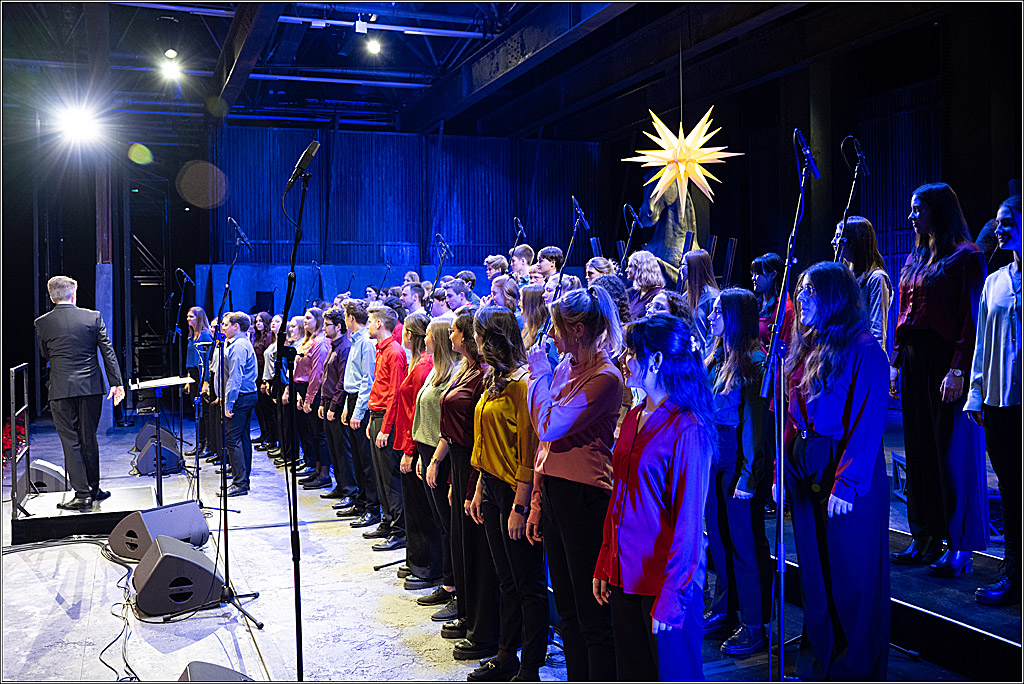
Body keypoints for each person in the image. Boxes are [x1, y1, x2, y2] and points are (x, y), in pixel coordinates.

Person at [783, 261, 891, 679]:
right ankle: (821, 662)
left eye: (811, 292)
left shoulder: (864, 350)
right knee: (815, 574)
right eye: (800, 291)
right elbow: (790, 416)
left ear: (834, 297)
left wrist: (847, 483)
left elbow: (868, 424)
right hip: (805, 464)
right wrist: (781, 471)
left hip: (845, 468)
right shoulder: (806, 348)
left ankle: (856, 669)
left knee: (853, 578)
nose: (802, 300)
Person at [593, 313, 715, 682]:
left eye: (631, 352)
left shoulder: (687, 427)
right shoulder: (635, 416)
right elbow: (619, 499)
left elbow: (689, 523)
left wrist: (673, 597)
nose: (623, 359)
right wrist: (605, 561)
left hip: (664, 584)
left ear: (657, 361)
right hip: (625, 574)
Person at [525, 286, 624, 681]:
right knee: (566, 606)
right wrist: (536, 500)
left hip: (585, 498)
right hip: (554, 491)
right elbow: (545, 444)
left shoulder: (605, 377)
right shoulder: (567, 365)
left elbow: (548, 424)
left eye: (556, 326)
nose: (550, 335)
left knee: (591, 613)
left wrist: (538, 375)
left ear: (578, 330)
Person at [891, 182, 988, 574]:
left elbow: (970, 318)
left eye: (918, 209)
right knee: (918, 450)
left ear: (938, 211)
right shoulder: (916, 257)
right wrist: (897, 361)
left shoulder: (967, 257)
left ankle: (959, 543)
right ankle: (925, 535)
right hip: (914, 361)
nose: (911, 216)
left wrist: (959, 368)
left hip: (945, 360)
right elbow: (904, 313)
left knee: (950, 453)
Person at [468, 307, 547, 682]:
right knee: (506, 579)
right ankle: (506, 653)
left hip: (516, 490)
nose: (477, 343)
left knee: (528, 582)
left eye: (481, 337)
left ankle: (530, 664)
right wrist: (480, 488)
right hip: (493, 486)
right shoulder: (493, 379)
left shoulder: (521, 383)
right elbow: (485, 441)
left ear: (496, 339)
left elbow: (528, 448)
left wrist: (520, 504)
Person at [702, 289, 771, 656]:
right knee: (720, 541)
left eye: (717, 312)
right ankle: (725, 610)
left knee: (744, 545)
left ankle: (754, 624)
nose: (711, 317)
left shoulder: (754, 363)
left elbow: (754, 427)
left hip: (737, 460)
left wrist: (748, 476)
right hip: (714, 458)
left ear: (736, 317)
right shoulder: (716, 358)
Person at [437, 307, 501, 662]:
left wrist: (473, 480)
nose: (452, 336)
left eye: (457, 332)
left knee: (478, 549)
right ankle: (468, 615)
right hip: (461, 462)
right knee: (463, 544)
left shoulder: (483, 375)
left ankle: (483, 628)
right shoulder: (465, 369)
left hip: (474, 463)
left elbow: (479, 432)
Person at [966, 195, 1022, 606]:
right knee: (1011, 489)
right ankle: (1014, 574)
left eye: (1008, 221)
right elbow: (983, 343)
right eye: (998, 222)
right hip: (1003, 404)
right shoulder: (995, 281)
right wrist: (977, 395)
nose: (999, 229)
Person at [35, 275, 125, 509]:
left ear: (51, 296)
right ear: (74, 295)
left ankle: (83, 493)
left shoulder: (42, 323)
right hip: (91, 387)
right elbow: (108, 352)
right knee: (88, 438)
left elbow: (45, 353)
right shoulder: (92, 317)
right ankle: (94, 488)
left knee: (71, 441)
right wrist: (117, 383)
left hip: (61, 388)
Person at [415, 318, 462, 618]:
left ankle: (455, 588)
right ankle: (448, 584)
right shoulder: (435, 369)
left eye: (429, 335)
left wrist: (434, 459)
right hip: (427, 449)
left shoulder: (452, 374)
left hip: (442, 456)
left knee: (449, 526)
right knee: (440, 523)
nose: (425, 339)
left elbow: (447, 425)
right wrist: (421, 454)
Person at [393, 312, 444, 582]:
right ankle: (416, 559)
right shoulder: (417, 362)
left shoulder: (425, 366)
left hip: (415, 445)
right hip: (409, 441)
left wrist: (409, 451)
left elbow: (417, 414)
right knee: (414, 507)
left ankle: (427, 566)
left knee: (421, 511)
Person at [366, 305, 409, 550]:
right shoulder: (381, 350)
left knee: (390, 479)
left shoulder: (394, 351)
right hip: (376, 416)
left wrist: (384, 428)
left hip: (386, 419)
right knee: (380, 477)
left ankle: (400, 530)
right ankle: (388, 519)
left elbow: (395, 394)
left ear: (380, 324)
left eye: (371, 322)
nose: (369, 326)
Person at [339, 299, 382, 528]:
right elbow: (351, 378)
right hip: (352, 399)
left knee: (366, 462)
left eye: (345, 316)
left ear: (351, 319)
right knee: (356, 457)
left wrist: (357, 411)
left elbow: (367, 380)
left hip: (362, 403)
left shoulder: (365, 342)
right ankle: (362, 501)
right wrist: (347, 407)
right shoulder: (355, 341)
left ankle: (373, 509)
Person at [832, 216, 892, 351]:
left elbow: (878, 329)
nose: (833, 242)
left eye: (838, 236)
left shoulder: (876, 278)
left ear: (854, 241)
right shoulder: (845, 277)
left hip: (863, 356)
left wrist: (874, 363)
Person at [291, 307, 333, 490]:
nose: (305, 321)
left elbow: (317, 373)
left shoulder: (321, 342)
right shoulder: (310, 340)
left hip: (315, 393)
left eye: (309, 318)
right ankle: (316, 470)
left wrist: (308, 398)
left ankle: (324, 474)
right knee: (313, 434)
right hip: (305, 390)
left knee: (320, 435)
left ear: (318, 320)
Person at [319, 306, 357, 505]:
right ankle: (341, 486)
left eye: (328, 325)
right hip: (328, 402)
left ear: (339, 326)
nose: (324, 328)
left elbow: (342, 381)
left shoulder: (345, 348)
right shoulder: (334, 346)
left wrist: (333, 406)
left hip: (338, 405)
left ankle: (350, 490)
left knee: (343, 450)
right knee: (334, 449)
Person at [220, 312, 260, 497]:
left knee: (232, 439)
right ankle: (242, 479)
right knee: (242, 438)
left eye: (226, 324)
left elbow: (236, 376)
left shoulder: (238, 346)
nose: (223, 327)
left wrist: (229, 402)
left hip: (241, 396)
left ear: (237, 326)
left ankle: (240, 483)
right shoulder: (241, 343)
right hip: (246, 395)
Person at [184, 306, 214, 458]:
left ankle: (208, 445)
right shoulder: (192, 336)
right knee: (197, 412)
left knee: (205, 412)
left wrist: (206, 382)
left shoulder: (205, 335)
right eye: (188, 317)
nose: (188, 319)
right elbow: (191, 361)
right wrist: (189, 380)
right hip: (193, 375)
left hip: (203, 376)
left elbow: (209, 361)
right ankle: (200, 443)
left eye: (191, 317)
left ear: (199, 318)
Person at [680, 249, 720, 357]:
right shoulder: (685, 297)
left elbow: (712, 339)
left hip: (702, 360)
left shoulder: (712, 297)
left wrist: (704, 364)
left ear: (694, 267)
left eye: (683, 265)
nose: (680, 269)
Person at [751, 252, 795, 349]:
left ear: (773, 274)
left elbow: (786, 347)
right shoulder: (755, 304)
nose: (753, 278)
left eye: (758, 274)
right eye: (752, 274)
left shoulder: (785, 308)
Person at [258, 314, 283, 456]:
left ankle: (276, 442)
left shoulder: (280, 342)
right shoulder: (273, 341)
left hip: (277, 381)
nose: (273, 323)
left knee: (275, 414)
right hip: (269, 379)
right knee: (271, 413)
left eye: (277, 321)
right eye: (272, 321)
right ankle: (272, 440)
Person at [251, 312, 273, 447]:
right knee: (259, 407)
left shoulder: (269, 337)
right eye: (256, 321)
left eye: (260, 321)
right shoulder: (257, 337)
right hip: (257, 373)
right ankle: (264, 433)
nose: (258, 323)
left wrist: (265, 381)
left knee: (267, 407)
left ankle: (270, 437)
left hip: (264, 373)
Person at [625, 250, 665, 319]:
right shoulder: (637, 294)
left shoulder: (658, 295)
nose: (626, 270)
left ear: (641, 268)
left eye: (630, 266)